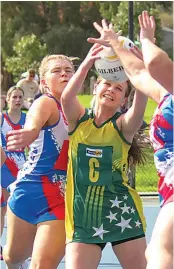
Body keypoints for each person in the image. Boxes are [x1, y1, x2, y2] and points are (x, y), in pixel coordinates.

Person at [87, 11, 173, 269]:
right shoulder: (165, 97)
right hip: (168, 189)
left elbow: (156, 64)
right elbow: (137, 73)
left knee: (159, 253)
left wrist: (144, 42)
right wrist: (125, 42)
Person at [61, 39, 148, 268]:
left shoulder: (123, 126)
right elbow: (66, 98)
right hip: (83, 217)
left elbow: (140, 106)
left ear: (124, 100)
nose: (111, 89)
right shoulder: (79, 121)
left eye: (118, 88)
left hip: (120, 211)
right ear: (96, 86)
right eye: (107, 84)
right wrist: (87, 64)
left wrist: (138, 69)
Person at [4, 54, 75, 269]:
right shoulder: (46, 102)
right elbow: (34, 118)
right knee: (13, 258)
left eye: (68, 70)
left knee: (42, 264)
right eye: (56, 70)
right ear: (43, 82)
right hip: (30, 190)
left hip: (61, 196)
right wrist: (31, 132)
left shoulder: (81, 111)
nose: (64, 73)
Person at [0, 86, 26, 260]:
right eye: (14, 96)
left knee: (17, 210)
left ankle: (15, 248)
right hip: (3, 165)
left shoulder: (29, 118)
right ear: (8, 99)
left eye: (20, 97)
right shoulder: (2, 119)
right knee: (2, 210)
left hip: (22, 167)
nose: (17, 100)